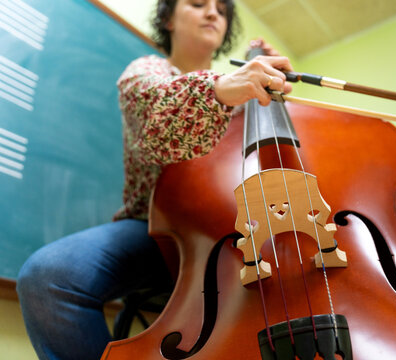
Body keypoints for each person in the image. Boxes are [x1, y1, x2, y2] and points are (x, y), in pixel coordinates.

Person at [16, 0, 293, 359]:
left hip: (238, 231)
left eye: (221, 11)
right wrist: (220, 88)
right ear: (168, 19)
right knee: (49, 279)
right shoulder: (146, 69)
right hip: (155, 231)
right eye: (197, 4)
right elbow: (155, 118)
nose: (212, 13)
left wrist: (272, 89)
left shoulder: (245, 102)